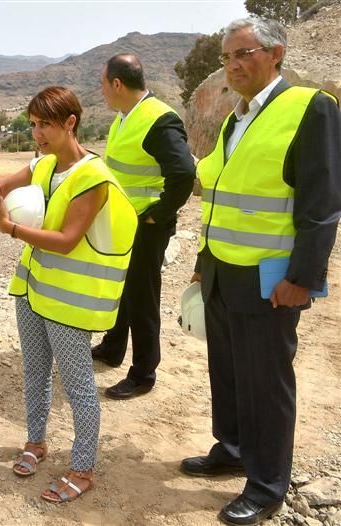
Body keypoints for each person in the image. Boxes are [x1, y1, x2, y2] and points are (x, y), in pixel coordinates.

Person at [180, 17, 340, 526]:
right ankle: (230, 448)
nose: (233, 65)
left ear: (276, 53)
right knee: (227, 371)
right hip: (224, 271)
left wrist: (303, 278)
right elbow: (221, 199)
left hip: (272, 276)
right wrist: (203, 266)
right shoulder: (235, 118)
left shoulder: (309, 108)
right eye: (227, 57)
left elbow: (322, 204)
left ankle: (267, 484)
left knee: (266, 381)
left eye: (244, 53)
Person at [0, 86, 138, 503]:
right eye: (33, 124)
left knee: (78, 384)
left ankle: (82, 469)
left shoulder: (92, 177)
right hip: (32, 289)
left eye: (46, 123)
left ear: (71, 122)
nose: (38, 133)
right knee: (34, 371)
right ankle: (36, 442)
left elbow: (66, 240)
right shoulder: (44, 166)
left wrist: (11, 230)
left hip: (69, 300)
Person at [91, 54, 196, 399]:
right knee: (122, 289)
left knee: (142, 297)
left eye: (103, 83)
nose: (102, 90)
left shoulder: (158, 119)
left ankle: (143, 373)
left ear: (117, 84)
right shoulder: (124, 116)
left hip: (146, 226)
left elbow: (182, 173)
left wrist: (160, 214)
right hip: (124, 223)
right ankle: (113, 348)